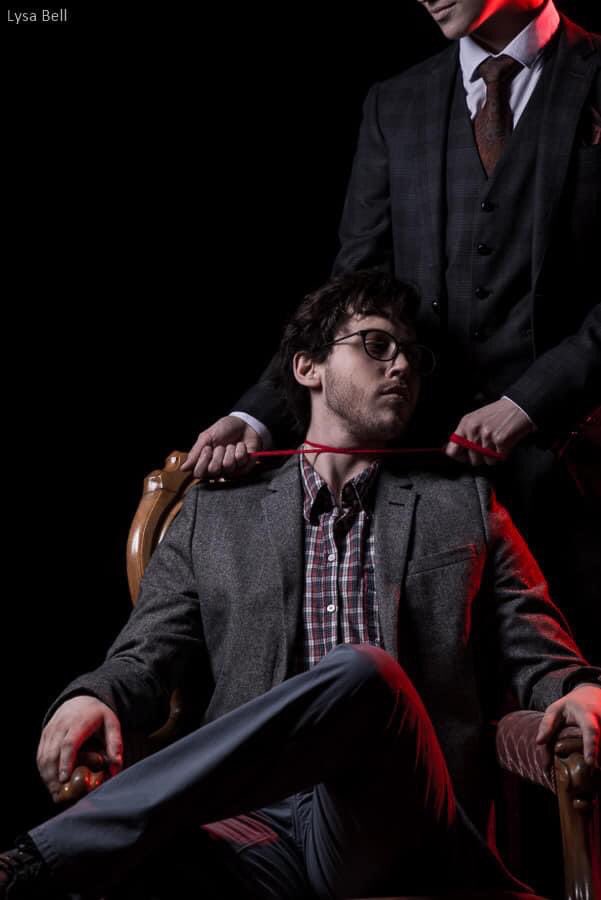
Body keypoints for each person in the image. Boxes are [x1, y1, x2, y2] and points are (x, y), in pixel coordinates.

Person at [1, 271, 600, 900]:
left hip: (397, 825)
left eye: (412, 356)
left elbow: (541, 654)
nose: (401, 365)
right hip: (250, 835)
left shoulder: (463, 505)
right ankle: (57, 867)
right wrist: (91, 696)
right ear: (308, 366)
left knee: (365, 672)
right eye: (376, 344)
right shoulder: (216, 514)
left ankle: (47, 854)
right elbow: (143, 658)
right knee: (133, 872)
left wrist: (581, 689)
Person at [181, 0, 601, 660]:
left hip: (580, 478)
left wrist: (529, 402)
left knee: (574, 687)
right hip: (428, 480)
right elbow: (354, 285)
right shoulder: (396, 102)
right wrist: (259, 412)